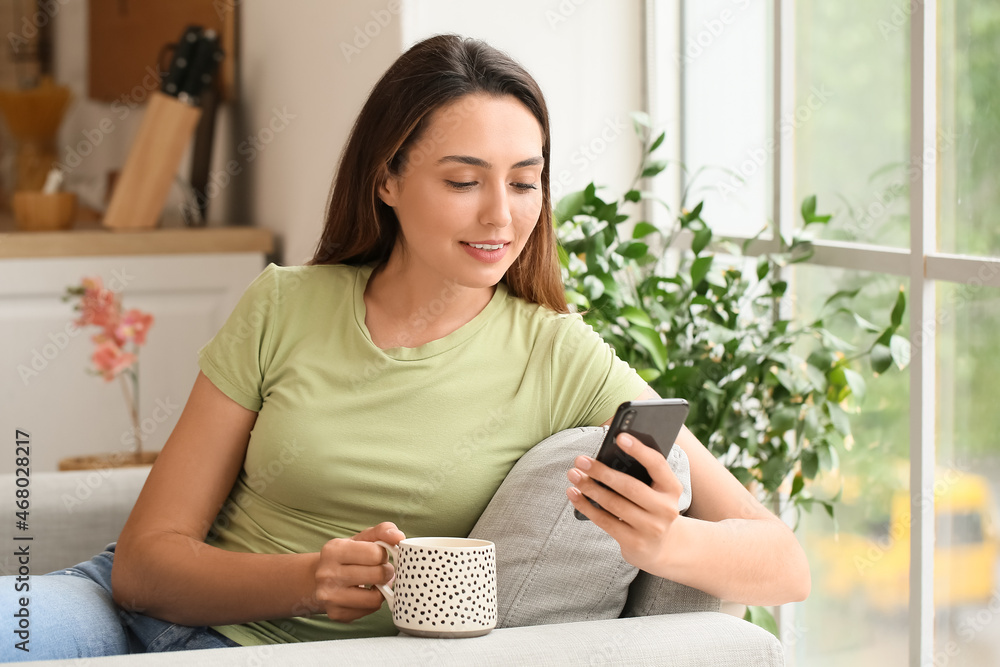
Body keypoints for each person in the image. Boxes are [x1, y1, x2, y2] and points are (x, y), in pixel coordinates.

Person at [1, 34, 809, 660]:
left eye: (525, 181)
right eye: (464, 181)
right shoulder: (284, 303)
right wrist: (305, 577)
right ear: (386, 179)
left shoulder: (561, 356)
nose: (501, 214)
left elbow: (785, 563)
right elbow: (146, 564)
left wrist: (667, 539)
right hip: (125, 611)